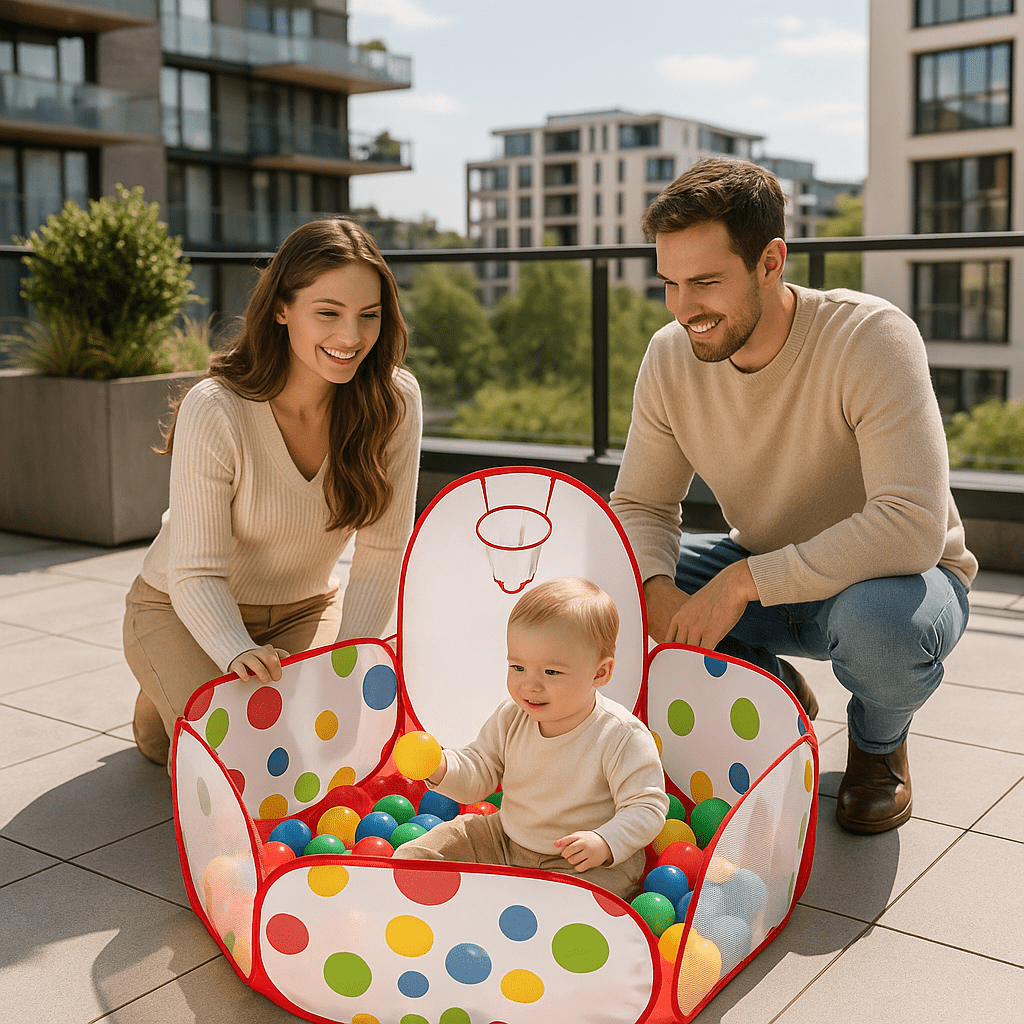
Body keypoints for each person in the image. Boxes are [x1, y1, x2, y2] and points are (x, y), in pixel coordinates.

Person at [610, 158, 976, 836]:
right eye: (670, 284)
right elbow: (641, 505)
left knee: (883, 628)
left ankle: (877, 748)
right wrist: (655, 584)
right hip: (765, 567)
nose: (684, 308)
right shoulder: (669, 357)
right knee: (607, 586)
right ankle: (764, 688)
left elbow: (911, 526)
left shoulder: (870, 336)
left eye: (706, 282)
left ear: (771, 261)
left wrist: (743, 582)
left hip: (895, 584)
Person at [123, 218, 422, 767]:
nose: (351, 337)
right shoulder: (216, 408)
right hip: (180, 606)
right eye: (328, 313)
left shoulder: (394, 402)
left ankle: (189, 692)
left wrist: (348, 667)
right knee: (244, 763)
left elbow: (382, 555)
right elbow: (196, 572)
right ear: (282, 308)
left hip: (303, 610)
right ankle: (160, 693)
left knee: (318, 754)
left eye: (368, 316)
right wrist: (235, 651)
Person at [394, 577, 668, 901]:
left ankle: (520, 915)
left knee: (575, 907)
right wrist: (441, 766)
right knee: (416, 857)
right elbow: (479, 770)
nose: (530, 685)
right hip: (506, 840)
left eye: (551, 672)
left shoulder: (621, 736)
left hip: (585, 864)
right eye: (518, 667)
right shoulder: (511, 718)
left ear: (599, 673)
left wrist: (605, 841)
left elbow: (647, 806)